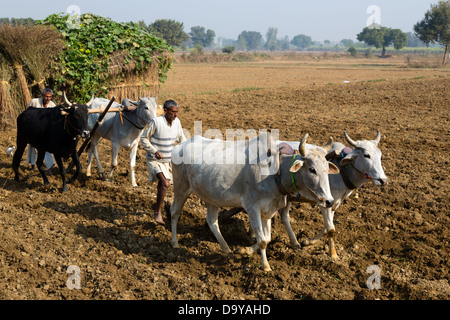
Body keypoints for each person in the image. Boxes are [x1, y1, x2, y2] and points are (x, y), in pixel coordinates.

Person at [141, 100, 186, 224]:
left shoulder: (177, 123)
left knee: (171, 185)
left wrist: (188, 150)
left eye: (177, 112)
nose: (175, 115)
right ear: (165, 111)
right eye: (173, 112)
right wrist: (154, 151)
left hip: (169, 162)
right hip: (154, 160)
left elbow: (182, 139)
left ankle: (170, 207)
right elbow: (144, 138)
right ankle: (157, 212)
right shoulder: (156, 122)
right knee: (165, 183)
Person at [26, 88, 56, 174]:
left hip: (46, 131)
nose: (48, 99)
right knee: (32, 146)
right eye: (46, 96)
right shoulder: (34, 102)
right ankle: (33, 165)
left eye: (50, 97)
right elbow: (29, 114)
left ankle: (49, 167)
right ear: (42, 95)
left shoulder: (52, 105)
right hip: (34, 129)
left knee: (47, 147)